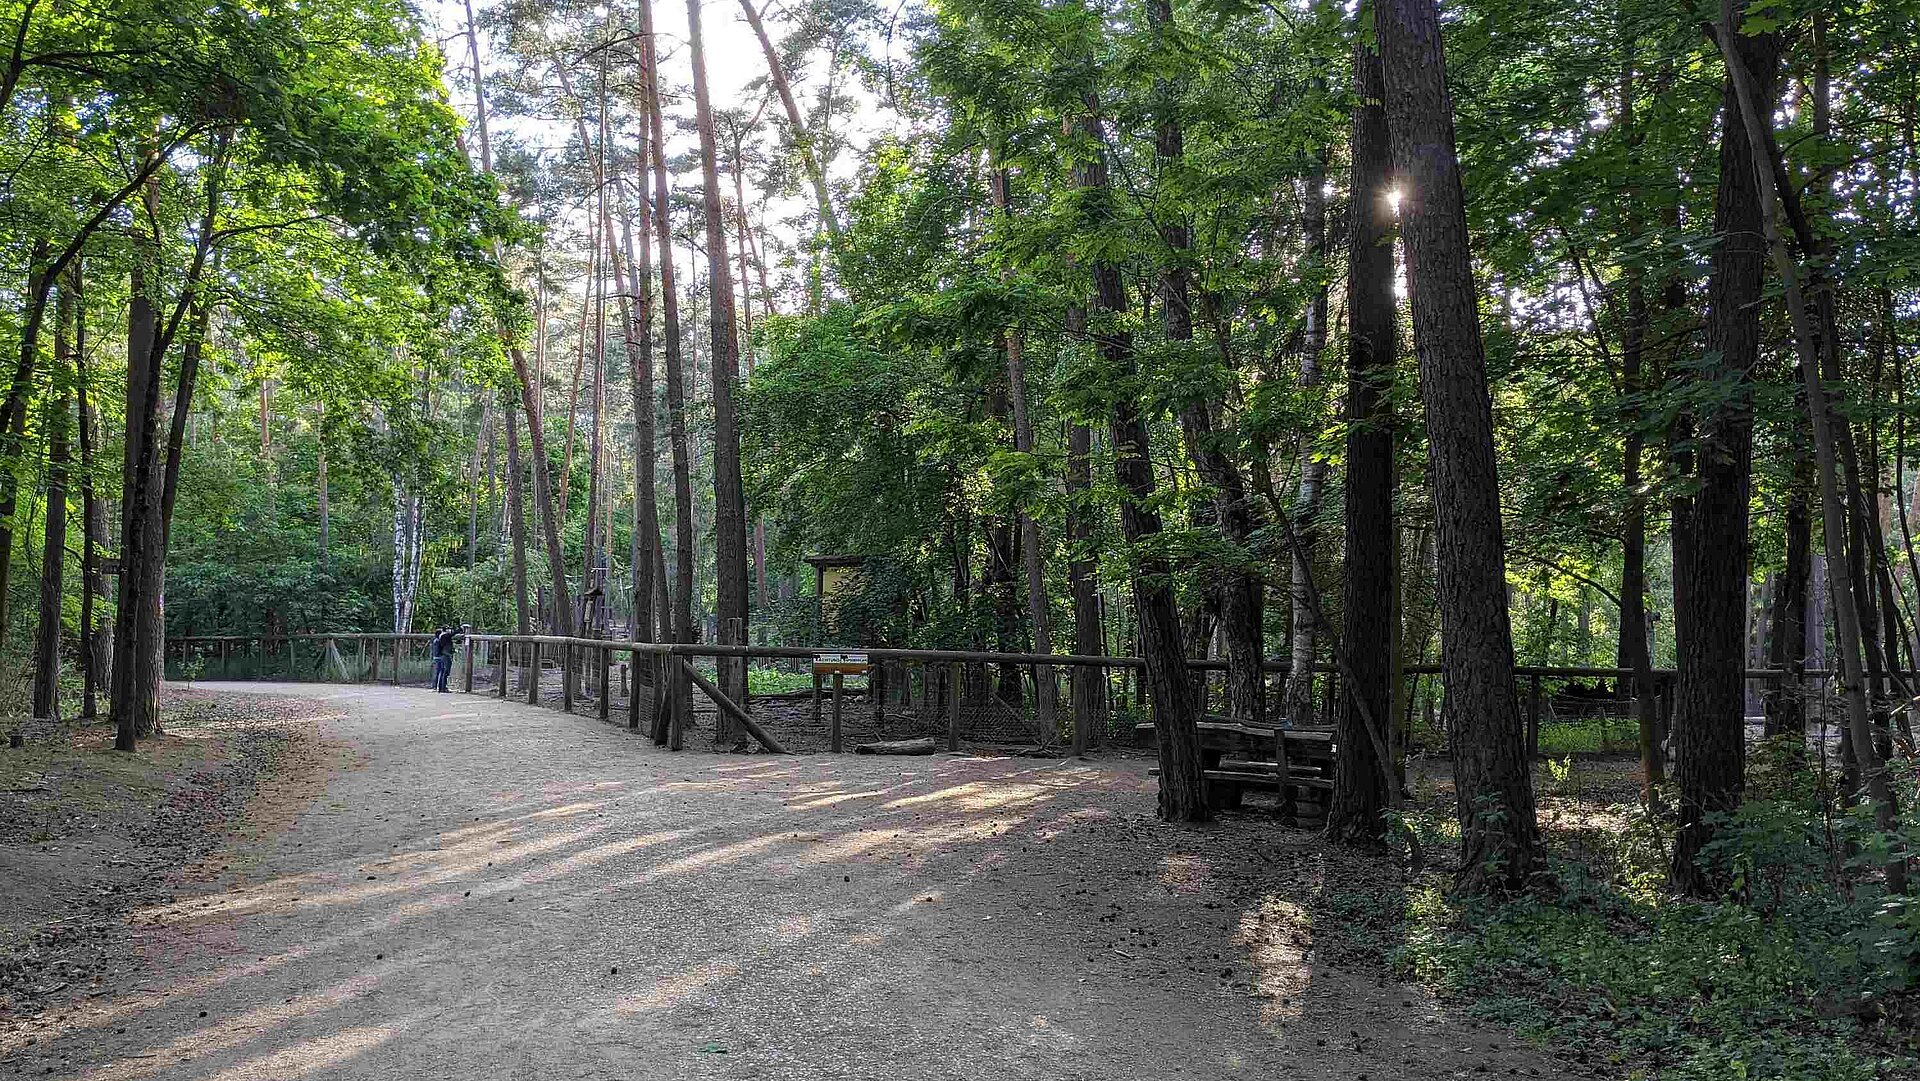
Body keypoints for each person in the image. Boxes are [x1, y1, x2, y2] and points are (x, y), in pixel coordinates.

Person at [429, 625, 464, 692]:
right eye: (448, 629)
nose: (450, 630)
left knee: (443, 672)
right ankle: (443, 687)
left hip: (445, 655)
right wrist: (460, 629)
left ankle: (441, 687)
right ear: (446, 630)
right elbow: (453, 634)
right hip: (446, 655)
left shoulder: (443, 636)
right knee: (446, 672)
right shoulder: (444, 635)